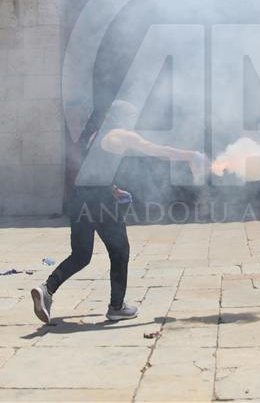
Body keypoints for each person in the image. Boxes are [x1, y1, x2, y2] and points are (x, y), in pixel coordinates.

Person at [31, 100, 205, 324]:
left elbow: (92, 171)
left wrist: (111, 187)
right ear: (124, 118)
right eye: (132, 118)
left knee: (81, 255)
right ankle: (116, 306)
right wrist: (192, 155)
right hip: (100, 202)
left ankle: (46, 289)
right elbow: (158, 151)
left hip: (81, 197)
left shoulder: (95, 136)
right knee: (120, 251)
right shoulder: (123, 135)